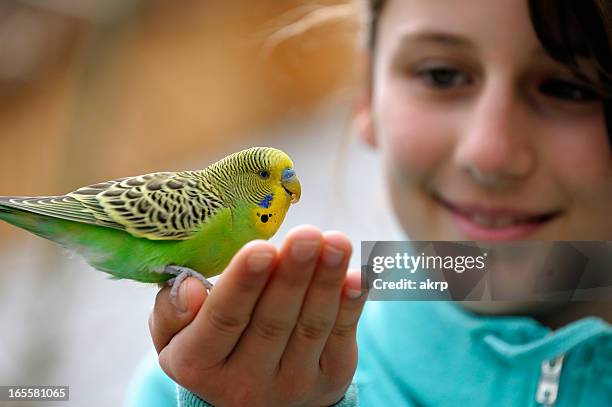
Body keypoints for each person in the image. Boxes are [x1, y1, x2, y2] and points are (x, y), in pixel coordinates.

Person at [128, 0, 612, 405]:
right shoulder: (195, 379)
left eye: (569, 87)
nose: (488, 152)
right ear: (367, 93)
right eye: (441, 75)